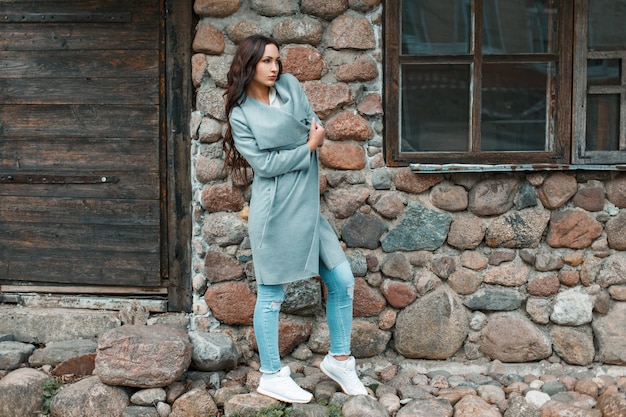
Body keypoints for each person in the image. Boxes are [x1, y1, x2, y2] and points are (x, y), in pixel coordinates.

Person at [223, 34, 368, 404]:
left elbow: (312, 122)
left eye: (276, 61)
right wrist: (305, 145)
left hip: (307, 206)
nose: (274, 68)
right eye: (266, 62)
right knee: (272, 294)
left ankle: (339, 361)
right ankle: (271, 374)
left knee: (343, 280)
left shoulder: (289, 85)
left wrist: (294, 142)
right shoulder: (241, 115)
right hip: (274, 211)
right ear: (248, 66)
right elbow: (268, 165)